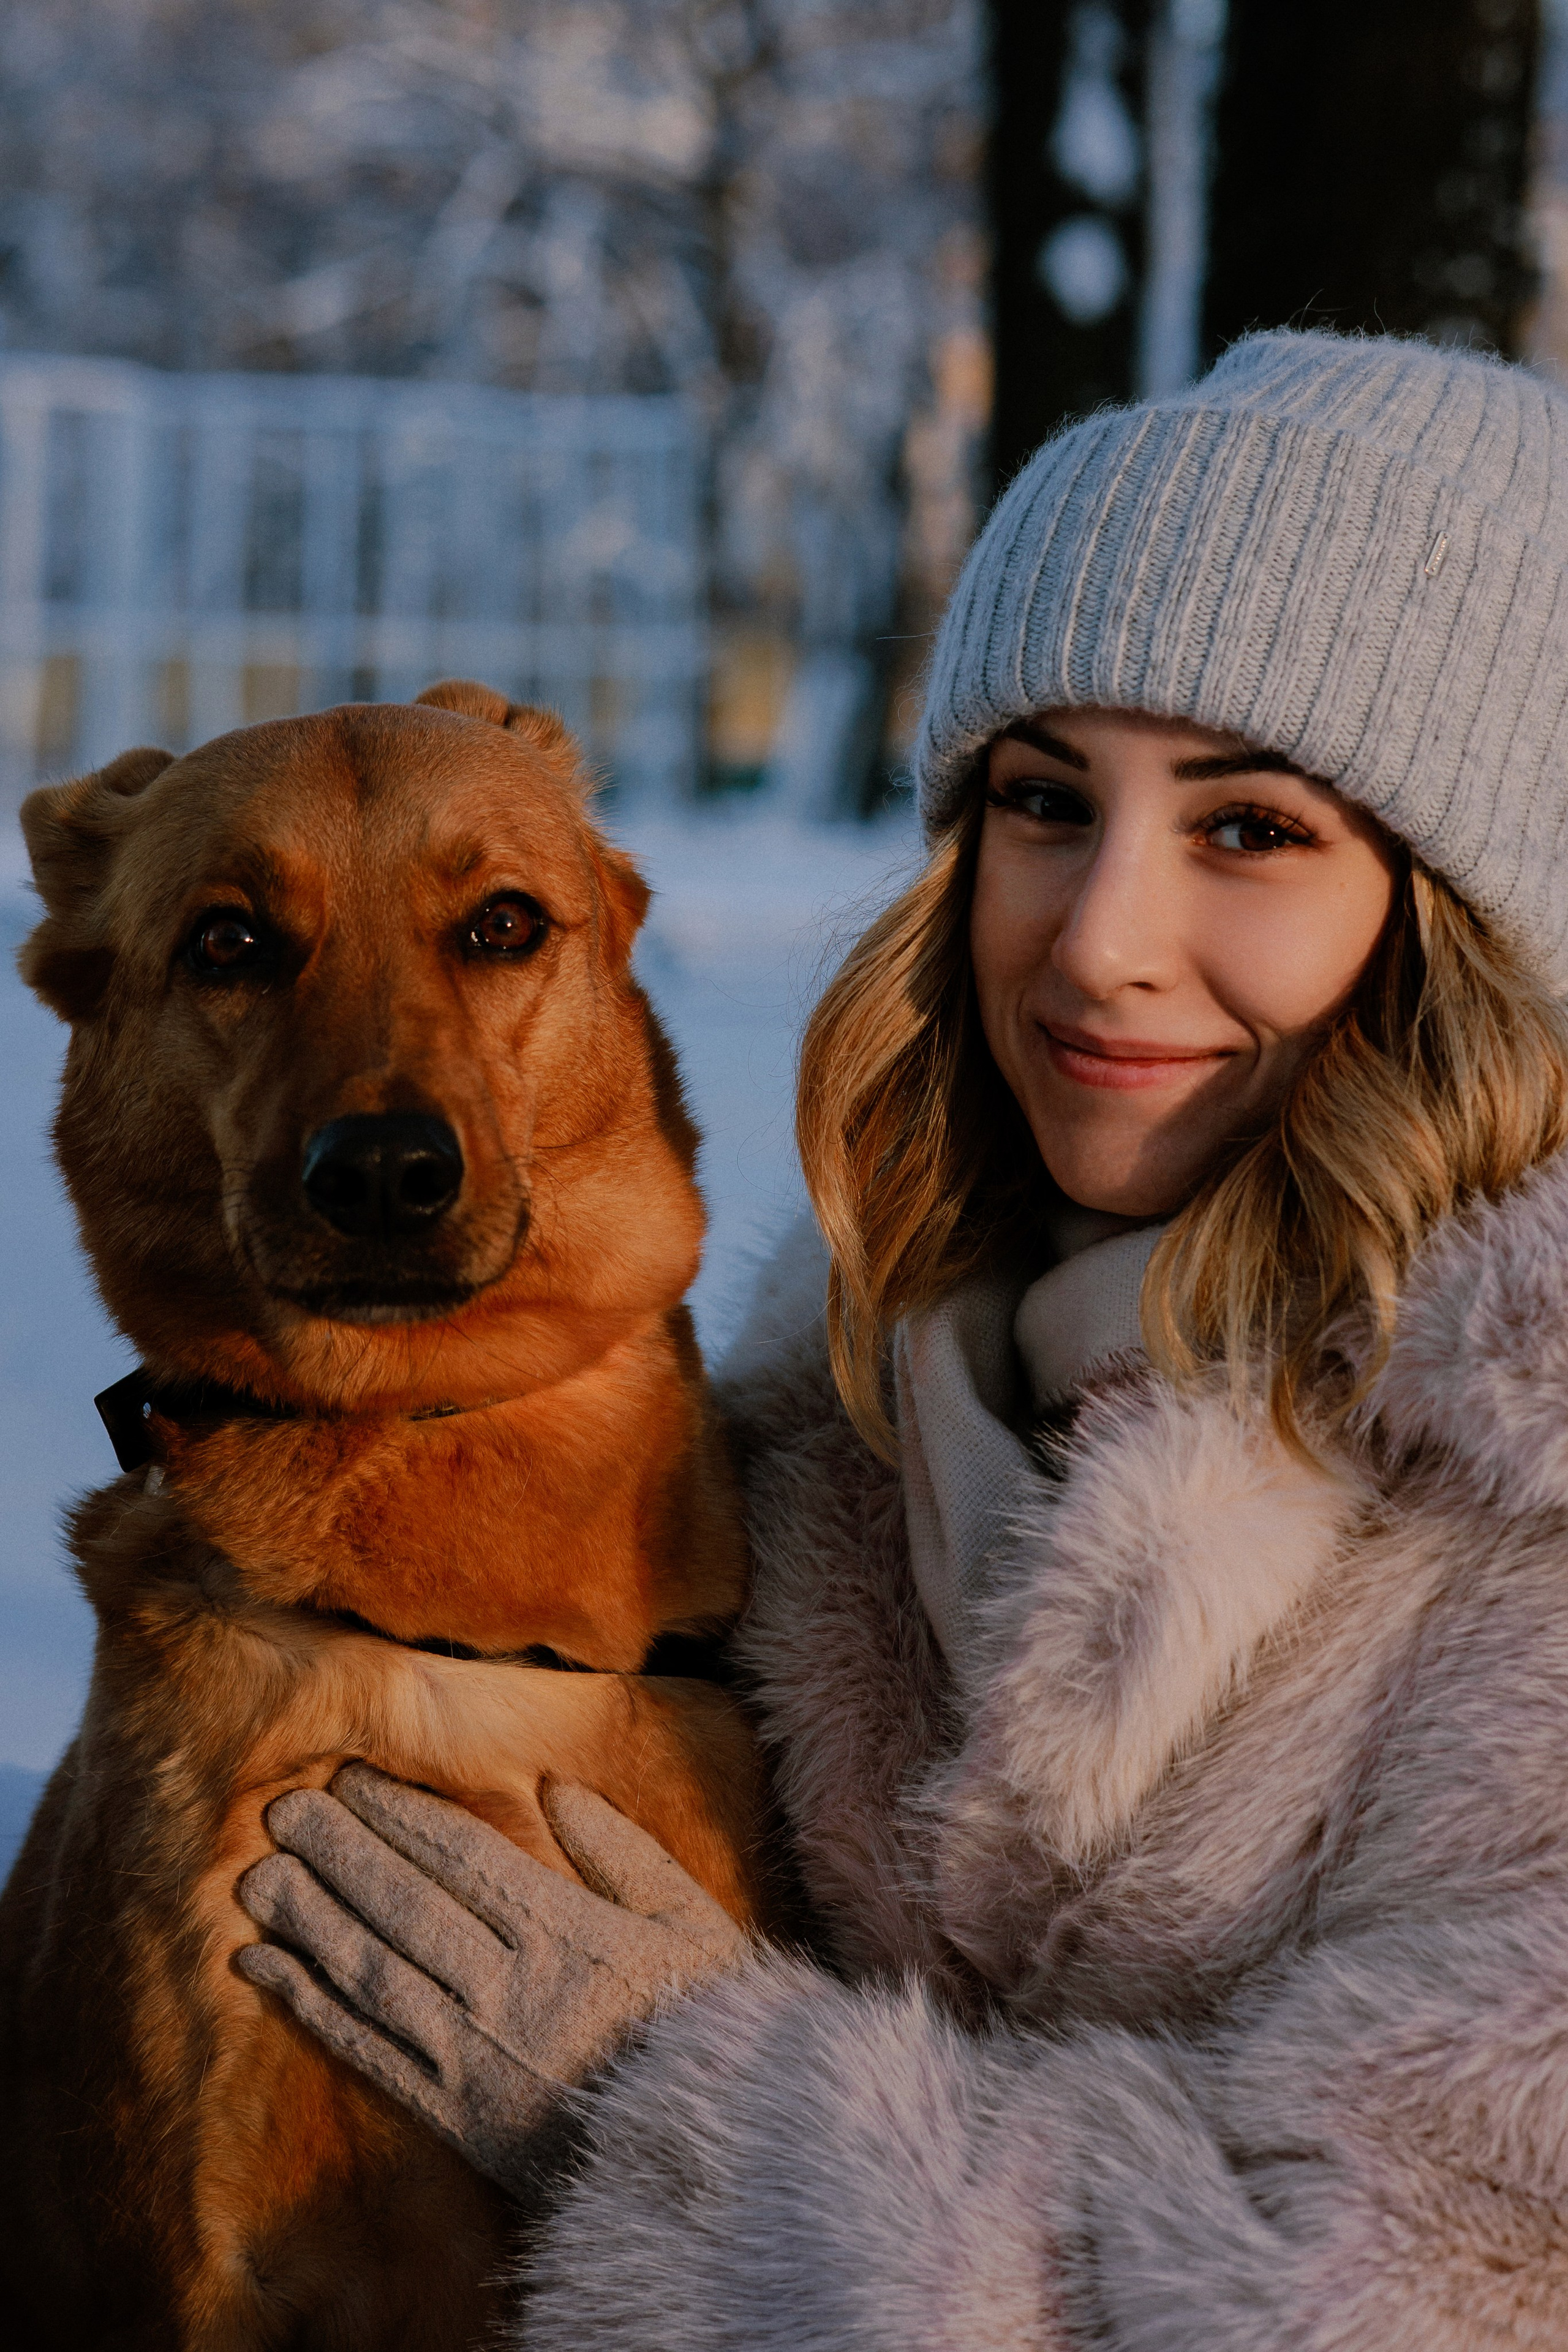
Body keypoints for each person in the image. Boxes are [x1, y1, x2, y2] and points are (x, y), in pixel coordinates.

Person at [238, 328, 1568, 2346]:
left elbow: (1404, 2292)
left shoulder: (1524, 1518)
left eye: (1250, 829)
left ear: (1482, 916)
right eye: (1047, 801)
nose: (1098, 937)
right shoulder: (829, 1419)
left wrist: (677, 2111)